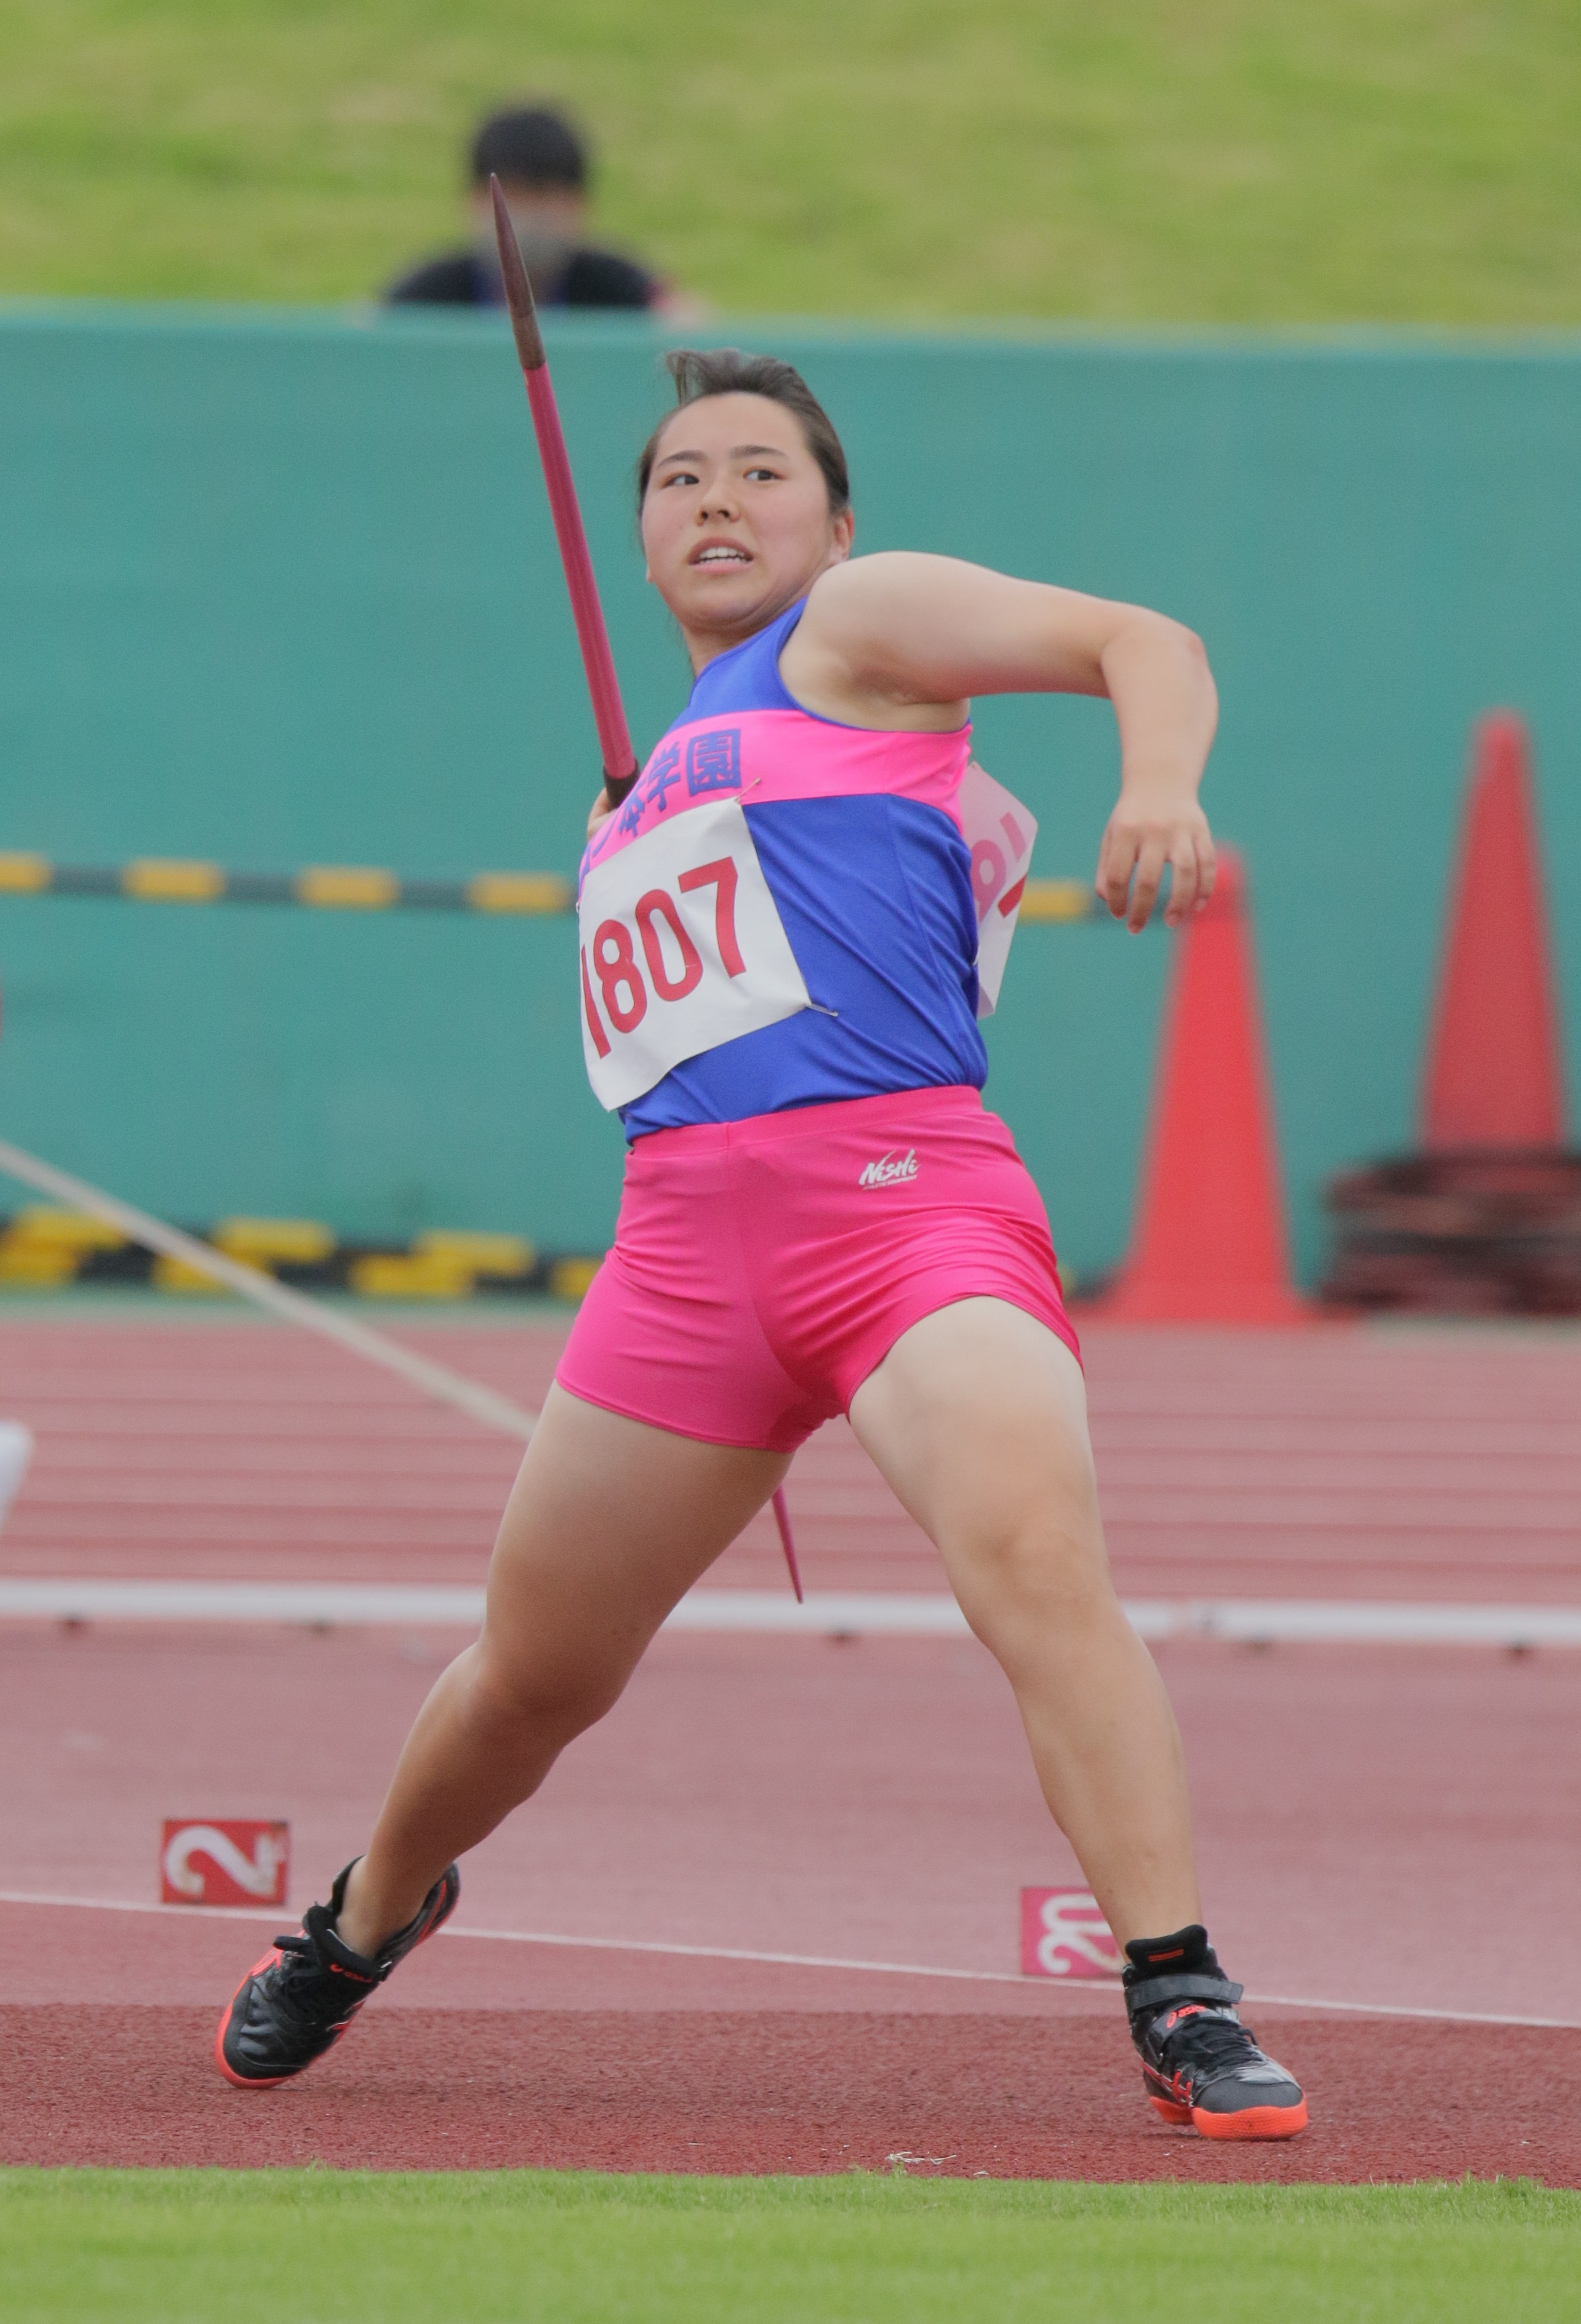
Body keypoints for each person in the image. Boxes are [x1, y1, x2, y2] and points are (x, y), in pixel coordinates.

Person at [217, 349, 1309, 2142]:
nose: (714, 501)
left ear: (837, 521)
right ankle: (363, 1910)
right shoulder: (627, 790)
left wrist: (1159, 782)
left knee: (1030, 1549)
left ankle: (1176, 1983)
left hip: (907, 1207)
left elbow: (1145, 637)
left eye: (758, 472)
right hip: (682, 1262)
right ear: (637, 535)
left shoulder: (862, 629)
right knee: (533, 1672)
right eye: (677, 479)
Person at [385, 105, 675, 314]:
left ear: (580, 204)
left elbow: (690, 331)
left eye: (543, 197)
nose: (527, 218)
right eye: (513, 198)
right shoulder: (424, 296)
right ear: (472, 200)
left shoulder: (623, 290)